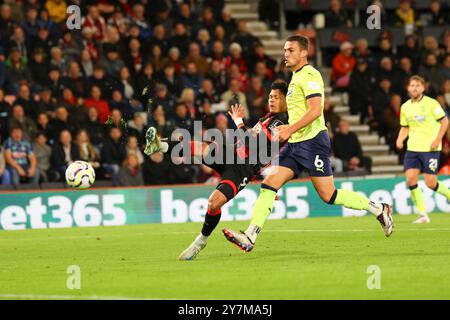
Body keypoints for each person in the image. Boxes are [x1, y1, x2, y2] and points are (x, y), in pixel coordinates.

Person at [222, 35, 394, 253]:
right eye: (284, 50)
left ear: (304, 53)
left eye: (291, 50)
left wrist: (288, 129)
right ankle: (250, 236)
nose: (286, 54)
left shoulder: (310, 75)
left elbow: (315, 110)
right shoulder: (295, 79)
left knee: (328, 195)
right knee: (269, 185)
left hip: (313, 142)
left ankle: (379, 208)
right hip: (295, 144)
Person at [177, 81, 289, 260]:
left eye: (276, 97)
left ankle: (200, 241)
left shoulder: (283, 122)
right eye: (270, 97)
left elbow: (253, 143)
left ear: (286, 100)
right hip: (231, 153)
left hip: (242, 169)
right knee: (196, 147)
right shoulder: (265, 119)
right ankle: (159, 145)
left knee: (214, 203)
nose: (271, 100)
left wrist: (238, 122)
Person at [396, 75, 450, 224]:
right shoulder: (405, 106)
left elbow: (445, 121)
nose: (414, 88)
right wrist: (400, 139)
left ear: (423, 88)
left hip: (430, 149)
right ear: (408, 88)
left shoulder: (432, 104)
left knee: (430, 182)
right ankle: (422, 214)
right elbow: (405, 127)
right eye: (412, 85)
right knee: (410, 179)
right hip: (412, 149)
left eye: (417, 86)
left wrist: (438, 139)